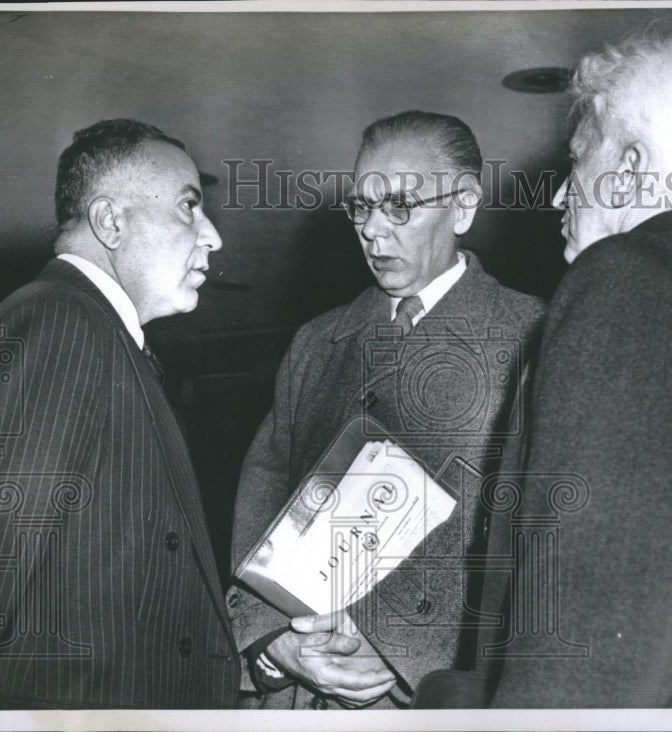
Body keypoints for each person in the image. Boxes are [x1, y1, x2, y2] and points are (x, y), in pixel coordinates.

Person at [415, 35, 672, 708]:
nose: (561, 193)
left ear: (628, 167)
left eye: (578, 159)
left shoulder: (621, 277)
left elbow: (582, 590)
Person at [227, 110, 545, 709]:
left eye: (401, 205)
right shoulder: (317, 342)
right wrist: (271, 643)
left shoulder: (534, 336)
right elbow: (264, 487)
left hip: (431, 700)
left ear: (464, 207)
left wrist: (407, 650)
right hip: (293, 695)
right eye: (361, 206)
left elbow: (538, 548)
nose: (374, 230)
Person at [0, 119, 240, 708]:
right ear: (111, 222)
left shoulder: (106, 338)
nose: (212, 236)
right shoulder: (63, 322)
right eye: (188, 207)